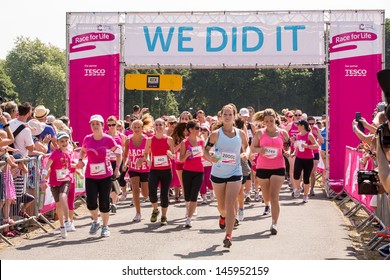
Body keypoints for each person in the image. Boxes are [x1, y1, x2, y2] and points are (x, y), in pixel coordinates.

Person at [203, 104, 250, 248]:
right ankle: (222, 216)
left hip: (235, 172)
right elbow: (205, 150)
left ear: (235, 116)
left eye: (230, 114)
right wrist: (210, 158)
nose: (228, 117)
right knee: (222, 207)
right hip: (218, 173)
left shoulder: (240, 133)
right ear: (221, 116)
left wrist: (245, 154)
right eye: (225, 115)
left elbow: (247, 146)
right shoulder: (216, 134)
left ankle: (228, 236)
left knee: (230, 204)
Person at [76, 114, 122, 237]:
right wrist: (80, 160)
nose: (95, 126)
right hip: (90, 175)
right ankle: (95, 221)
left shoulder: (108, 139)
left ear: (102, 125)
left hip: (105, 175)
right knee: (90, 202)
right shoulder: (87, 139)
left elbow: (119, 154)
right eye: (93, 124)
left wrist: (117, 168)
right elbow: (83, 150)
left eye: (97, 124)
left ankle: (105, 226)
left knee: (104, 202)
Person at [251, 109, 290, 234]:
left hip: (278, 166)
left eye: (271, 121)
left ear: (275, 119)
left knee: (274, 197)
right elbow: (253, 148)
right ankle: (266, 203)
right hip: (262, 167)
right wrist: (260, 150)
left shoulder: (283, 133)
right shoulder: (259, 133)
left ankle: (274, 223)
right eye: (266, 121)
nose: (269, 123)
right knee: (266, 196)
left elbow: (287, 146)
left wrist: (287, 152)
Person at [40, 132, 74, 239]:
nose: (64, 143)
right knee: (58, 205)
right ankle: (62, 226)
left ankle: (68, 220)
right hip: (55, 182)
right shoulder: (55, 153)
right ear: (58, 143)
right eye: (61, 141)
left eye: (65, 141)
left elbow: (68, 167)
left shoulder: (69, 152)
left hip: (66, 180)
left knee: (63, 196)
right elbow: (47, 168)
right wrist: (44, 181)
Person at [141, 118, 175, 225]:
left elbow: (173, 156)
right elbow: (146, 153)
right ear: (154, 127)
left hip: (166, 170)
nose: (159, 126)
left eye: (161, 125)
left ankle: (164, 216)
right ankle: (155, 209)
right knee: (152, 192)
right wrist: (148, 160)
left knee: (164, 194)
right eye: (157, 125)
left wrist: (170, 155)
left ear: (164, 126)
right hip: (154, 170)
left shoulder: (169, 139)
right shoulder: (149, 140)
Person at [122, 119, 150, 222]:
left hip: (144, 168)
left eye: (139, 127)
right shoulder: (128, 140)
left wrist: (144, 160)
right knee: (135, 188)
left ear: (142, 128)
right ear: (132, 128)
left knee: (145, 193)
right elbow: (125, 155)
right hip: (133, 168)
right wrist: (125, 164)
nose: (137, 129)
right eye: (135, 127)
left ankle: (146, 195)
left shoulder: (147, 140)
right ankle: (138, 213)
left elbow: (149, 155)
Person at [179, 120, 204, 228]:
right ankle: (189, 209)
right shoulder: (185, 142)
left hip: (199, 171)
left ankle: (188, 219)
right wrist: (186, 155)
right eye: (197, 128)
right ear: (191, 130)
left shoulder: (201, 141)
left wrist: (212, 157)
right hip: (187, 171)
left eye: (199, 128)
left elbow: (204, 155)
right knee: (188, 196)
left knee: (194, 195)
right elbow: (180, 159)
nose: (199, 130)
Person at [292, 119, 319, 203]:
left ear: (302, 126)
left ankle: (305, 195)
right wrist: (294, 152)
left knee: (306, 178)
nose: (297, 127)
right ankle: (298, 188)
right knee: (296, 175)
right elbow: (297, 146)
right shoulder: (297, 135)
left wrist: (307, 146)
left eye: (298, 125)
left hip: (308, 159)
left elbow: (316, 145)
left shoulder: (309, 135)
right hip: (299, 157)